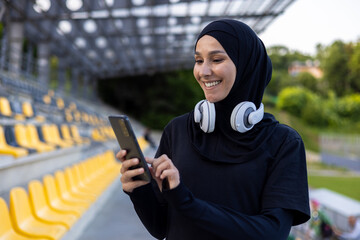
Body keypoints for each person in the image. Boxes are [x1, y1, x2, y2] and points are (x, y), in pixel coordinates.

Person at [117, 19, 310, 240]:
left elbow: (272, 233)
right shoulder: (177, 130)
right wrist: (139, 190)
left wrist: (186, 201)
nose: (204, 71)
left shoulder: (284, 142)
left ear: (246, 65)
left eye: (216, 59)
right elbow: (161, 227)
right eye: (198, 60)